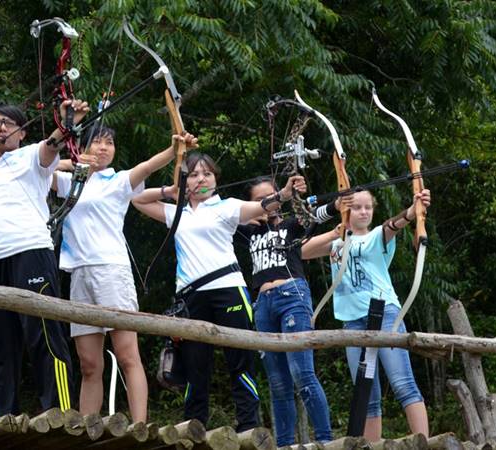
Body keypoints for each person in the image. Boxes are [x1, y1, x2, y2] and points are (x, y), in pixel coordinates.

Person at [131, 152, 300, 432]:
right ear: (186, 180)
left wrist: (282, 193)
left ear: (215, 179)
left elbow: (263, 205)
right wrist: (172, 191)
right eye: (194, 174)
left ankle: (248, 428)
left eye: (207, 174)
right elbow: (137, 199)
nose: (201, 179)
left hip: (229, 291)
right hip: (190, 298)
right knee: (195, 366)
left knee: (240, 361)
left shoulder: (228, 207)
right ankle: (193, 428)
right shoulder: (176, 213)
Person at [0, 100, 89, 420]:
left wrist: (68, 122)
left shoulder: (32, 157)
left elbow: (52, 145)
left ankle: (60, 413)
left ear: (22, 133)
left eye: (10, 124)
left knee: (43, 335)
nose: (3, 128)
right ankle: (0, 417)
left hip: (32, 254)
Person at [52, 127, 199, 423]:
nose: (104, 148)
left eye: (110, 143)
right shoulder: (68, 181)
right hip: (78, 273)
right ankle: (87, 428)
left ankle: (139, 426)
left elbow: (146, 166)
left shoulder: (117, 180)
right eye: (97, 141)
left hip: (111, 270)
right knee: (89, 364)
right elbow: (39, 164)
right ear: (81, 146)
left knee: (127, 354)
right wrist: (73, 162)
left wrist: (174, 150)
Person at [302, 189, 431, 441]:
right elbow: (302, 251)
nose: (363, 212)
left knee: (402, 383)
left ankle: (422, 442)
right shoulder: (337, 242)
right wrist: (336, 230)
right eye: (356, 207)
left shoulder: (375, 237)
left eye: (367, 207)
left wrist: (412, 211)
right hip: (352, 321)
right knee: (365, 391)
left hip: (383, 313)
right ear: (346, 211)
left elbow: (392, 225)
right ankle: (372, 446)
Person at [237, 176, 346, 446]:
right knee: (278, 383)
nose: (268, 204)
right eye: (260, 200)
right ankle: (285, 444)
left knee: (303, 375)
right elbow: (223, 215)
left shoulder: (290, 225)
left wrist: (335, 205)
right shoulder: (247, 231)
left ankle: (324, 441)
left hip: (292, 296)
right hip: (262, 305)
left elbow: (313, 217)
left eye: (273, 197)